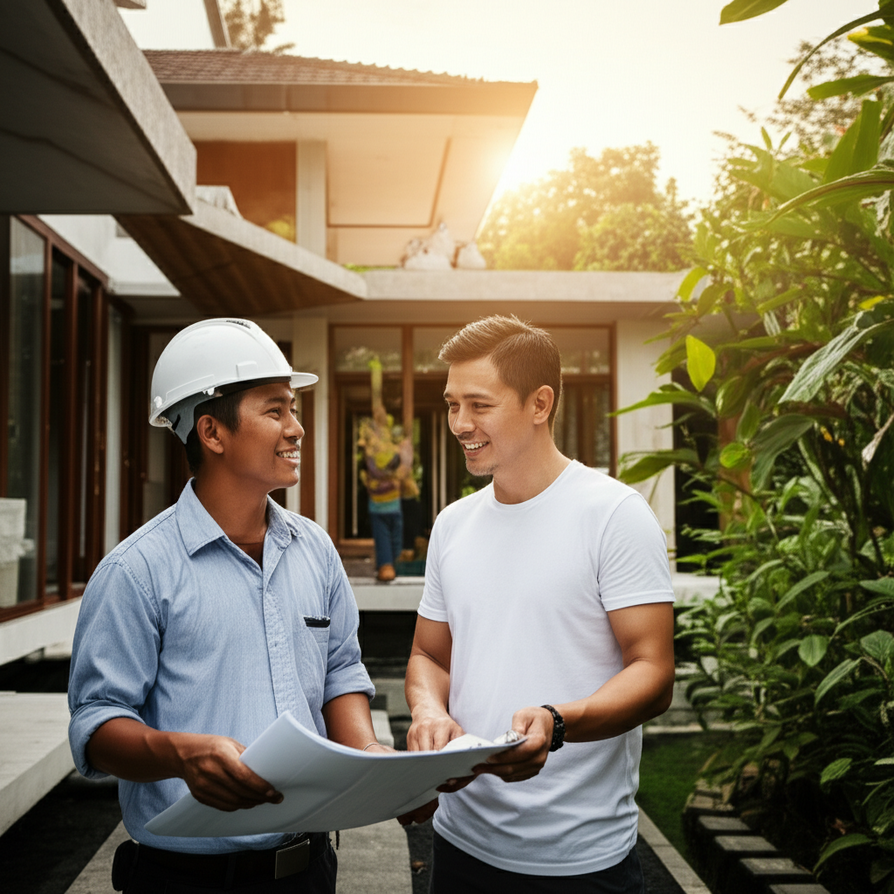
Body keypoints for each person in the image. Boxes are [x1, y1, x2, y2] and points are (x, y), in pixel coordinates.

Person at [68, 318, 389, 894]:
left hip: (309, 871)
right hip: (184, 880)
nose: (297, 428)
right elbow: (95, 725)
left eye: (293, 409)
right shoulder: (136, 571)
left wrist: (369, 761)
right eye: (275, 411)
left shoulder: (314, 550)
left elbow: (341, 671)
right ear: (212, 432)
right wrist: (180, 755)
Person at [403, 315, 676, 893]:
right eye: (452, 404)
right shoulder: (453, 524)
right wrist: (429, 712)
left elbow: (653, 671)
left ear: (540, 403)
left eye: (479, 405)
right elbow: (430, 656)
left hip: (582, 861)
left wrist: (558, 722)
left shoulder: (613, 515)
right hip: (460, 846)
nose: (459, 423)